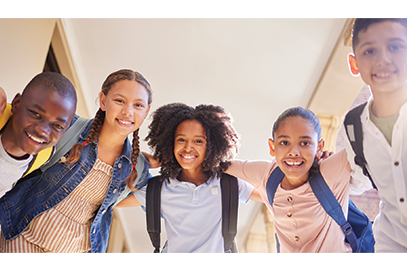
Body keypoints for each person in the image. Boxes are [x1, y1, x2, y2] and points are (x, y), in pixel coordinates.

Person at [0, 69, 152, 253]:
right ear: (103, 101)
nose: (128, 111)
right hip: (24, 237)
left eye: (138, 105)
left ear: (146, 111)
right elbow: (20, 124)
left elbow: (161, 197)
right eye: (119, 101)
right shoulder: (68, 129)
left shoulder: (138, 167)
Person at [116, 102, 260, 253]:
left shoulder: (228, 183)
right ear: (170, 143)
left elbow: (274, 196)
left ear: (212, 146)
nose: (188, 148)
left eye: (198, 141)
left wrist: (228, 165)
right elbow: (110, 201)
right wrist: (139, 163)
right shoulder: (158, 188)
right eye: (181, 140)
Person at [224, 106, 361, 253]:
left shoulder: (331, 170)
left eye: (304, 143)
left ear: (319, 146)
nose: (294, 152)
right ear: (272, 147)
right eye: (284, 143)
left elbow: (371, 142)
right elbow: (218, 165)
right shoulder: (267, 175)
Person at [344, 18, 407, 252]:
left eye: (395, 46)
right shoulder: (353, 126)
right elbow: (356, 180)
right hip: (390, 248)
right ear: (354, 64)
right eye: (370, 50)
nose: (383, 60)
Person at [0, 72, 77, 198]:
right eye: (35, 113)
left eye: (57, 126)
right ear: (16, 104)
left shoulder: (44, 156)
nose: (43, 130)